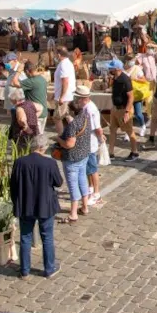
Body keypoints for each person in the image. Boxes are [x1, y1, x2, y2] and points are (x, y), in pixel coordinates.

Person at [10, 135, 62, 279]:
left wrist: (16, 203)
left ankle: (24, 270)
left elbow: (13, 185)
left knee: (25, 237)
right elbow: (58, 182)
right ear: (43, 147)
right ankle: (49, 269)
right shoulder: (50, 163)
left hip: (25, 205)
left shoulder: (19, 162)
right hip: (45, 205)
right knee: (47, 237)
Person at [57, 88, 92, 223]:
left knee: (73, 184)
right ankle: (85, 207)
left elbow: (69, 144)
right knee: (82, 179)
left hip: (72, 158)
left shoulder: (73, 125)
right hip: (84, 154)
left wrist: (58, 140)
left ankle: (73, 213)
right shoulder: (85, 116)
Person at [108, 60, 140, 162]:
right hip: (115, 108)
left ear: (117, 69)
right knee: (112, 130)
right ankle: (111, 153)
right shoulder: (115, 78)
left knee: (129, 131)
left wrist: (127, 112)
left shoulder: (125, 79)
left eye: (111, 67)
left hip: (124, 109)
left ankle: (134, 152)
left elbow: (131, 97)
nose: (109, 69)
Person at [16, 61, 50, 137]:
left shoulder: (31, 81)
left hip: (36, 114)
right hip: (43, 112)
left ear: (27, 71)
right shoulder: (41, 78)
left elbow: (13, 82)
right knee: (39, 136)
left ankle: (38, 148)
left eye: (25, 73)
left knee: (34, 139)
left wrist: (18, 70)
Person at [83, 94, 105, 207]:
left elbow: (97, 127)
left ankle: (97, 194)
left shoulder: (90, 109)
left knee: (92, 169)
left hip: (91, 143)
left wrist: (101, 138)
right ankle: (90, 188)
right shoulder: (86, 107)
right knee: (88, 168)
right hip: (86, 142)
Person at [52, 47, 75, 130]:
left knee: (57, 117)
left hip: (64, 96)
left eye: (55, 54)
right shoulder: (67, 63)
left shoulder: (63, 64)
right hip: (66, 95)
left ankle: (61, 137)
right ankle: (75, 132)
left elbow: (65, 81)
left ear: (58, 55)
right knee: (67, 115)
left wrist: (61, 97)